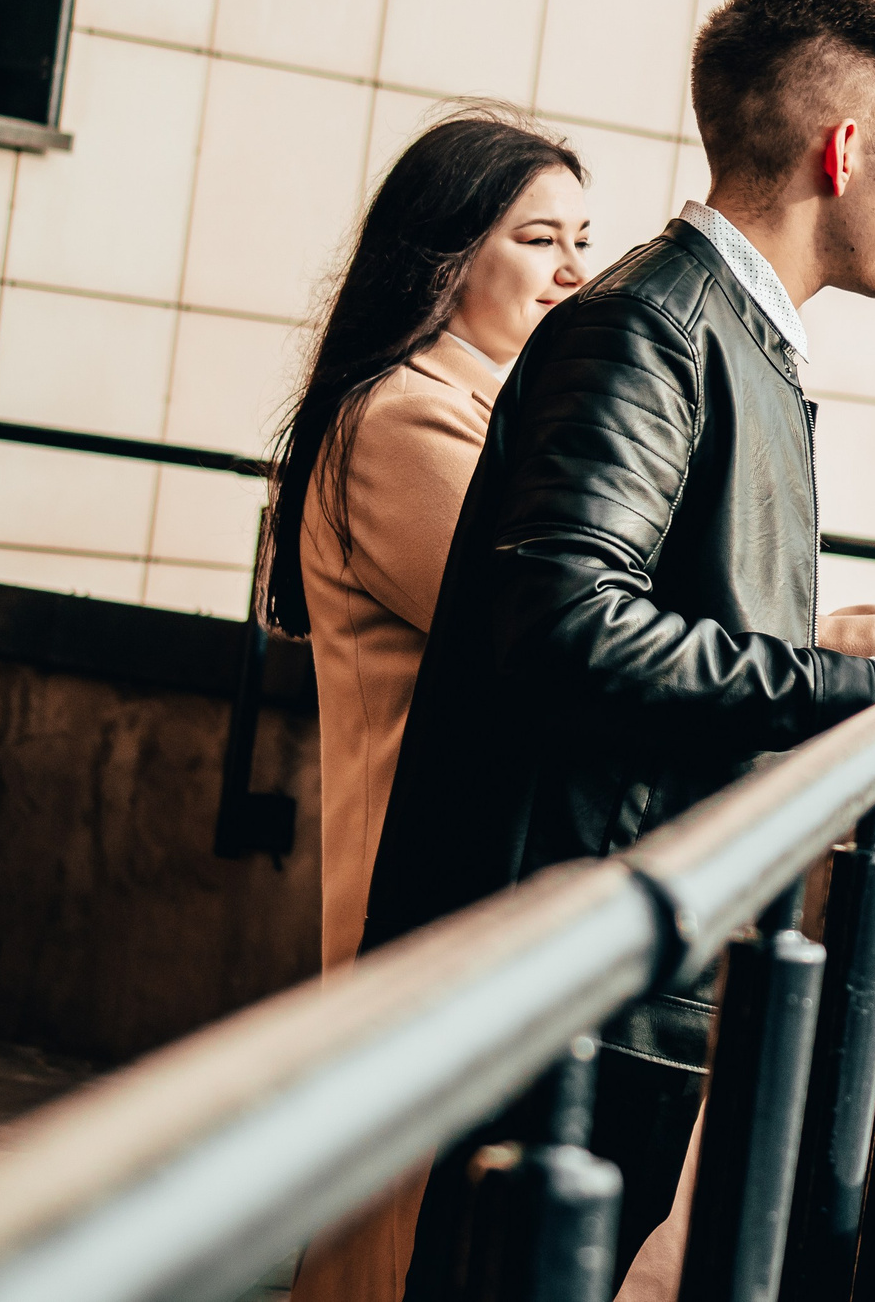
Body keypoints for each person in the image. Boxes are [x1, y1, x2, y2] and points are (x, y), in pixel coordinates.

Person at [363, 0, 875, 1291]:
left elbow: (700, 611)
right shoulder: (652, 328)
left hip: (616, 942)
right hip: (575, 965)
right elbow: (572, 624)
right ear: (840, 152)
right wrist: (865, 681)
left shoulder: (719, 332)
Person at [263, 106, 593, 1302]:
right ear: (449, 258)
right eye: (540, 239)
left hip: (458, 875)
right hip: (430, 871)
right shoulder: (412, 417)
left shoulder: (481, 414)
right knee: (396, 1215)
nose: (573, 272)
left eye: (581, 241)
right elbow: (560, 630)